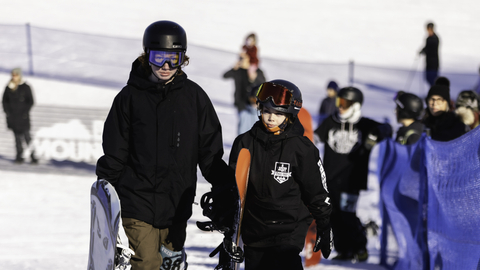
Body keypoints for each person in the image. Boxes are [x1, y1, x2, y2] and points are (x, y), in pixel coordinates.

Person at [95, 21, 236, 270]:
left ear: (183, 59)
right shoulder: (128, 99)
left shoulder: (194, 98)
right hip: (137, 200)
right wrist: (105, 191)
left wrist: (227, 188)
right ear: (146, 55)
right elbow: (115, 151)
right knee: (147, 262)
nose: (166, 66)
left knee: (168, 263)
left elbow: (210, 153)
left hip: (177, 204)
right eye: (159, 58)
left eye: (174, 59)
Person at [229, 80, 332, 270]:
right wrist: (227, 226)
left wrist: (324, 224)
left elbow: (316, 190)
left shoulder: (302, 149)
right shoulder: (245, 143)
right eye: (267, 111)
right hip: (254, 230)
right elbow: (233, 188)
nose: (270, 118)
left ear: (291, 114)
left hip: (288, 230)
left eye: (278, 113)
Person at [313, 86, 392, 261]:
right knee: (332, 215)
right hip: (330, 179)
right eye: (339, 102)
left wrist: (376, 134)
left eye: (345, 103)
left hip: (352, 180)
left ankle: (359, 246)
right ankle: (344, 250)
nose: (340, 107)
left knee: (347, 215)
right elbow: (315, 137)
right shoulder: (331, 121)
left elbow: (388, 128)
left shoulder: (364, 124)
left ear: (356, 106)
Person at [223, 50, 266, 135]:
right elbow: (225, 76)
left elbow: (263, 83)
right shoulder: (238, 70)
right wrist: (233, 68)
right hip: (240, 101)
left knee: (254, 123)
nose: (241, 60)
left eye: (243, 58)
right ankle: (242, 143)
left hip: (253, 102)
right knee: (243, 122)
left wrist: (254, 78)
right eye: (240, 58)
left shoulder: (255, 70)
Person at [2, 67, 37, 164]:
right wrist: (8, 112)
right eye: (13, 75)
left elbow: (31, 101)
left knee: (27, 137)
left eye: (16, 75)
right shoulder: (9, 87)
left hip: (23, 117)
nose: (14, 77)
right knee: (17, 138)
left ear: (19, 75)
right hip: (13, 118)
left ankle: (33, 156)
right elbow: (4, 101)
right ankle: (19, 156)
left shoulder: (25, 87)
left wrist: (25, 111)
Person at [419, 22, 440, 87]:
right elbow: (427, 47)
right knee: (428, 78)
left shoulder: (435, 38)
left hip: (433, 63)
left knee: (433, 79)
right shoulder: (428, 38)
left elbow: (432, 49)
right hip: (428, 62)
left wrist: (425, 50)